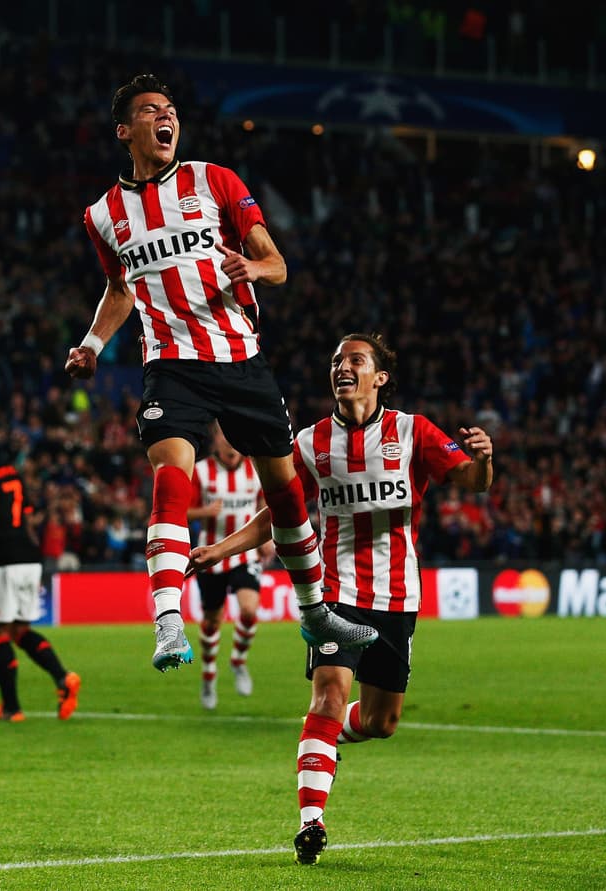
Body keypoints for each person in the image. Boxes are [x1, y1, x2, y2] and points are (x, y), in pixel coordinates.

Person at [65, 73, 377, 672]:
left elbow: (277, 263)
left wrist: (254, 270)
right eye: (152, 110)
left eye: (172, 109)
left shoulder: (215, 180)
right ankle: (166, 619)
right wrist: (91, 345)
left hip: (239, 358)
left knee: (286, 493)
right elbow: (118, 290)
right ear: (124, 130)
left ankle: (315, 615)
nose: (167, 117)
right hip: (171, 364)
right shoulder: (103, 216)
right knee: (171, 477)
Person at [187, 333, 494, 865]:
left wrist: (484, 460)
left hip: (398, 595)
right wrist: (222, 548)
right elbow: (279, 512)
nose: (342, 368)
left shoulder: (412, 430)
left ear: (380, 378)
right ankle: (312, 822)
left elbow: (473, 482)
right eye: (336, 361)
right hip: (334, 591)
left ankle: (323, 743)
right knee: (328, 696)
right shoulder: (308, 442)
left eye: (355, 360)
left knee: (381, 723)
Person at [0, 425, 80, 722]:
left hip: (1, 562)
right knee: (19, 631)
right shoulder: (11, 473)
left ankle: (11, 708)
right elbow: (28, 516)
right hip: (28, 559)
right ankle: (63, 678)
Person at [186, 425, 273, 709]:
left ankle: (238, 660)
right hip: (210, 554)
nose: (229, 441)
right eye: (224, 435)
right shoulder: (200, 471)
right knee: (212, 621)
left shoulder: (254, 469)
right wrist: (203, 512)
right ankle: (209, 676)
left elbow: (264, 499)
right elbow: (181, 508)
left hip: (243, 554)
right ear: (216, 439)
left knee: (249, 609)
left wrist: (265, 538)